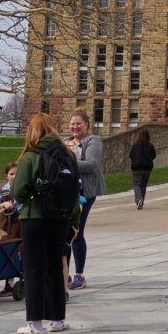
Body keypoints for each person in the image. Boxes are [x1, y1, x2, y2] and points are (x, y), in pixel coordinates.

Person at [13, 113, 80, 334]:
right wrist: (73, 220)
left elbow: (19, 191)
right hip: (60, 219)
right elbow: (74, 190)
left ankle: (35, 323)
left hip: (34, 217)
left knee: (34, 268)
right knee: (55, 266)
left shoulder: (31, 156)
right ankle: (58, 319)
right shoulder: (68, 155)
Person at [64, 109, 105, 290]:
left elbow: (92, 165)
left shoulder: (93, 141)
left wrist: (68, 160)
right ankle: (65, 274)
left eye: (78, 124)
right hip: (66, 192)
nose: (75, 127)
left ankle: (80, 274)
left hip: (85, 193)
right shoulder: (66, 142)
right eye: (72, 124)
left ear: (86, 125)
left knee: (76, 231)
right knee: (66, 233)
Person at [0, 161, 21, 296]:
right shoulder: (1, 190)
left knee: (20, 250)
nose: (14, 176)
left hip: (18, 223)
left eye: (17, 173)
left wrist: (15, 205)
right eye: (11, 174)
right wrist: (3, 204)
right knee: (6, 251)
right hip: (5, 225)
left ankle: (23, 279)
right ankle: (9, 283)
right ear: (6, 175)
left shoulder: (22, 188)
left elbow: (24, 203)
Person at [129, 128, 156, 210]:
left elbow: (130, 155)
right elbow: (153, 156)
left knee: (137, 185)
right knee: (143, 186)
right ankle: (141, 201)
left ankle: (139, 200)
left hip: (137, 168)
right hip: (147, 168)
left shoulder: (135, 146)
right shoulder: (150, 146)